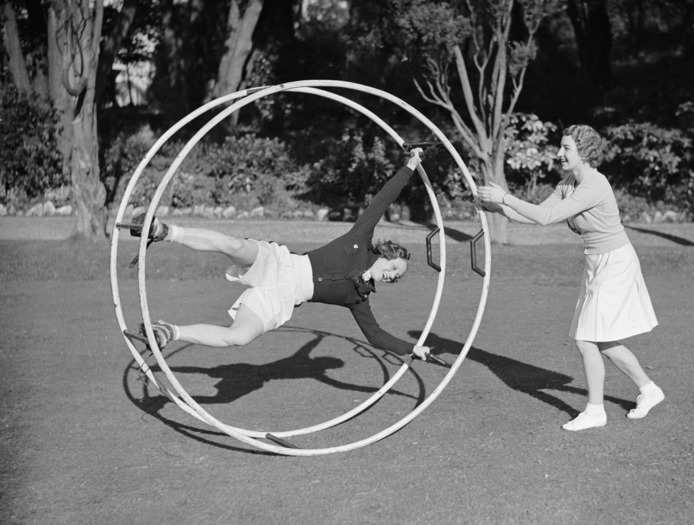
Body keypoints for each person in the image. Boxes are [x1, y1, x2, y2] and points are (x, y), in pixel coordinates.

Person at [133, 148, 431, 361]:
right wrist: (410, 166)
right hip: (281, 263)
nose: (392, 276)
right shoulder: (359, 240)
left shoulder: (359, 298)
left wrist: (411, 348)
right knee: (233, 245)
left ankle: (168, 332)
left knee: (239, 337)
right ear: (386, 253)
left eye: (396, 278)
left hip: (280, 299)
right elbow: (382, 201)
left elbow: (375, 335)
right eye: (394, 267)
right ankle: (164, 231)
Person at [476, 124, 664, 431]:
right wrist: (495, 206)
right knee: (600, 339)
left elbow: (547, 217)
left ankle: (595, 411)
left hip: (616, 262)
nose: (559, 153)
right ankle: (648, 389)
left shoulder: (594, 184)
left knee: (586, 338)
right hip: (596, 262)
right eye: (560, 147)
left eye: (566, 149)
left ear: (585, 153)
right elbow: (537, 215)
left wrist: (506, 197)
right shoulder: (568, 183)